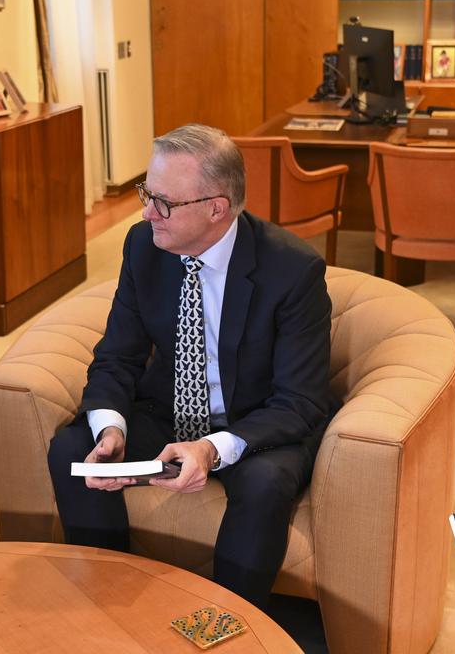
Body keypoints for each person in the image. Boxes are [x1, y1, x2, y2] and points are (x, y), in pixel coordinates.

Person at [46, 124, 337, 607]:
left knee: (266, 485)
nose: (145, 212)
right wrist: (110, 429)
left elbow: (299, 400)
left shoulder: (292, 270)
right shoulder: (143, 246)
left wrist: (211, 449)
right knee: (72, 449)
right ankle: (109, 603)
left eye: (162, 201)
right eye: (146, 193)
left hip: (257, 421)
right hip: (167, 410)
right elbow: (118, 354)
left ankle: (225, 623)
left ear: (215, 208)